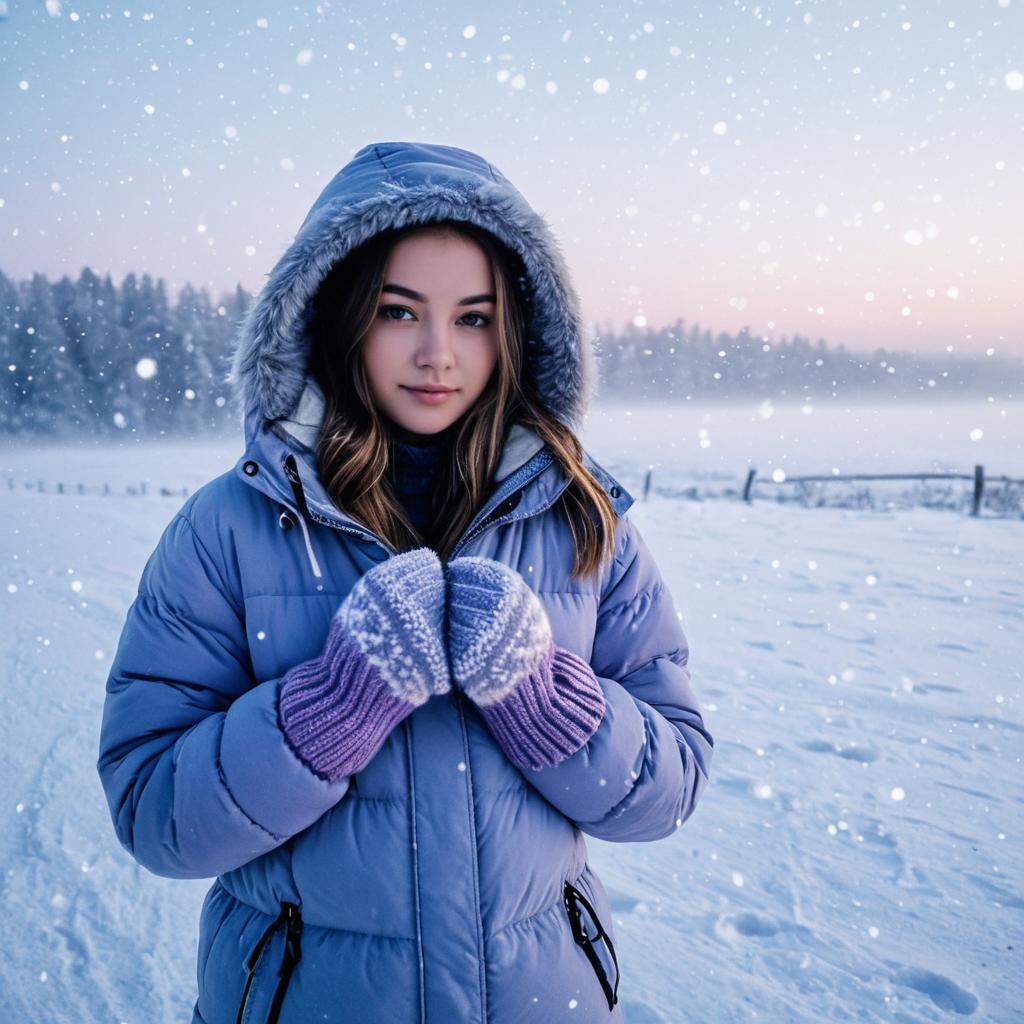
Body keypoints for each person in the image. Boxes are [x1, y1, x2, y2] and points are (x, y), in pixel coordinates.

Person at [96, 141, 714, 1024]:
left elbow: (674, 785)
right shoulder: (228, 529)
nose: (437, 354)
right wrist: (327, 715)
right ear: (337, 316)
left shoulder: (585, 521)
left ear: (517, 330)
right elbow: (155, 811)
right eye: (398, 311)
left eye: (473, 317)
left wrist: (548, 702)